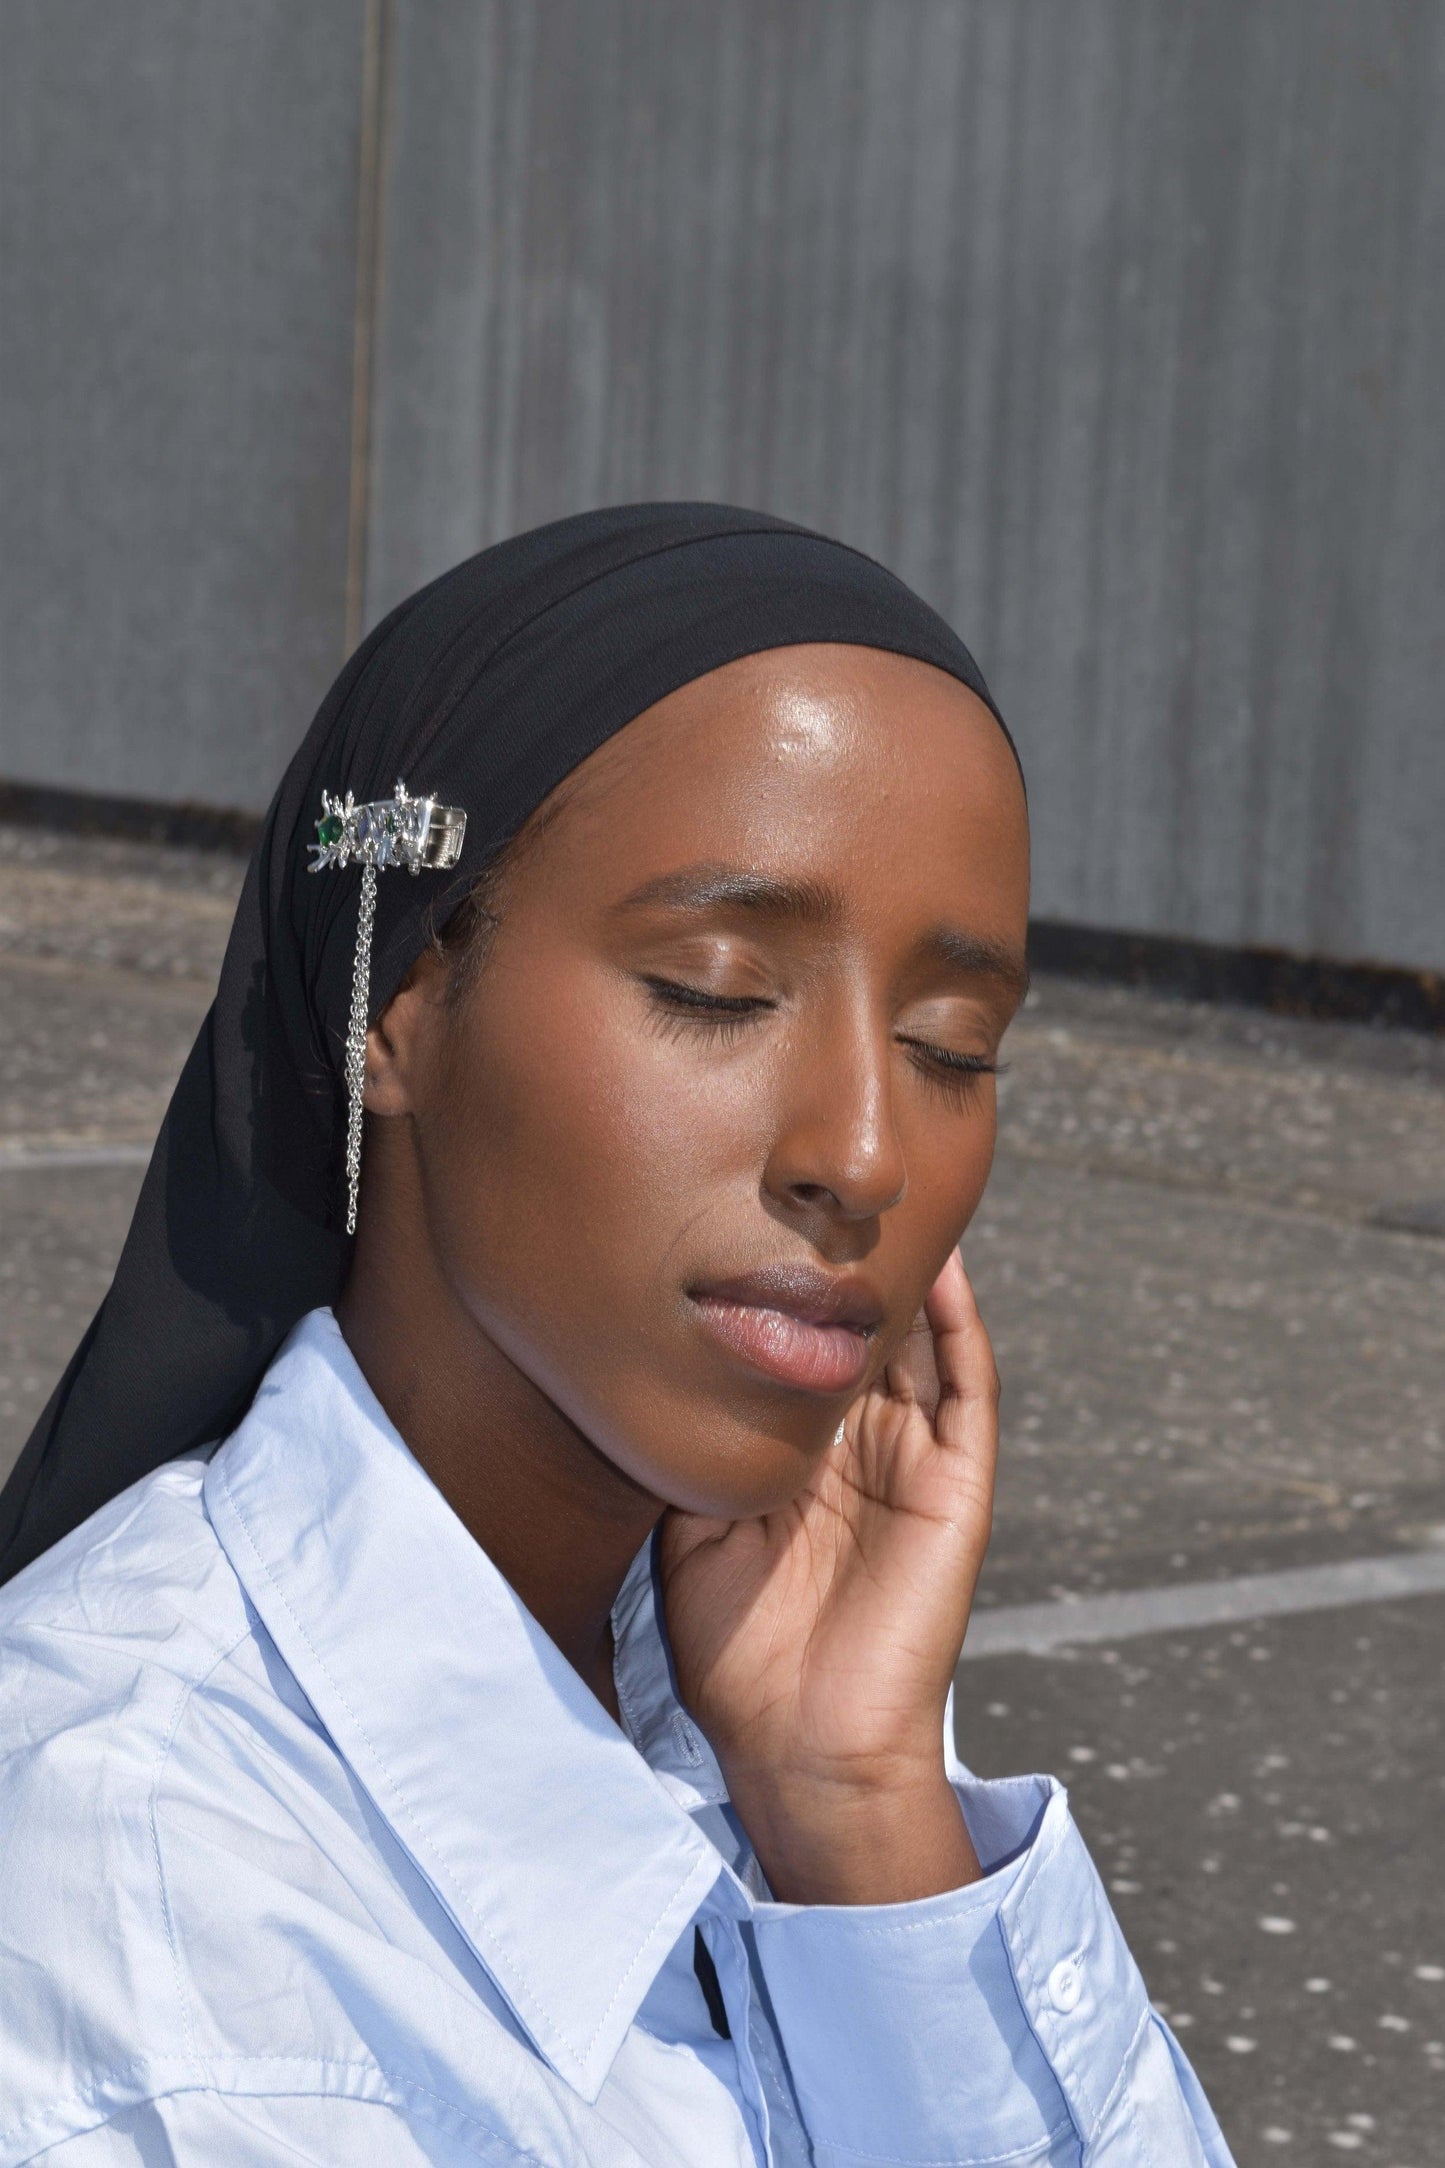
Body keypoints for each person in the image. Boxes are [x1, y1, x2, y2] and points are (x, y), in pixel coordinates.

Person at [0, 506, 1233, 2164]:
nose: (864, 1153)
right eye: (719, 990)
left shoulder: (774, 1707)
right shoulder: (132, 1943)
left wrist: (864, 1823)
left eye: (952, 1045)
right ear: (394, 1011)